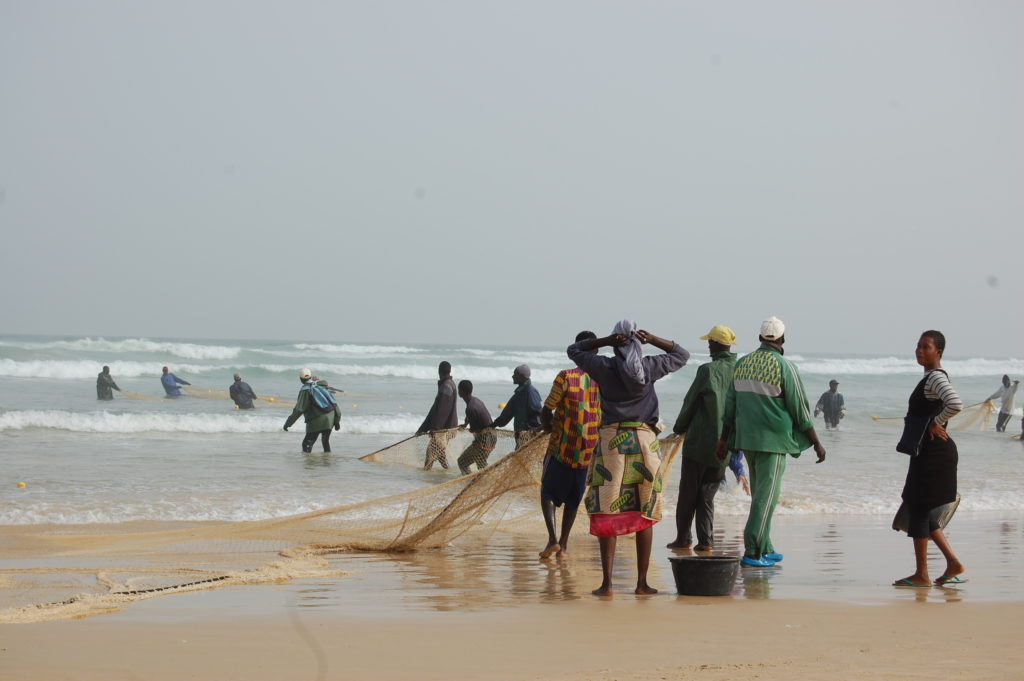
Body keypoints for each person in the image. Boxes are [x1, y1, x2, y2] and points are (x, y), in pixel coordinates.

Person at [568, 320, 689, 595]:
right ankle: (642, 583)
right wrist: (654, 339)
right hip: (644, 442)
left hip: (612, 443)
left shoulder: (605, 367)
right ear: (637, 341)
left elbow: (574, 350)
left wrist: (605, 341)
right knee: (644, 508)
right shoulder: (649, 367)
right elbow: (682, 355)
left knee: (606, 508)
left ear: (618, 341)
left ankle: (607, 584)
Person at [716, 316, 826, 568]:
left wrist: (724, 440)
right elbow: (800, 410)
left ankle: (765, 545)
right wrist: (817, 443)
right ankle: (753, 551)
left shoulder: (742, 364)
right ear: (783, 339)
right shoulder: (784, 367)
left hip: (746, 441)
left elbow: (729, 408)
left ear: (759, 338)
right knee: (766, 498)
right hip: (772, 443)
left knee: (760, 495)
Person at [892, 330, 966, 587]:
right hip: (928, 453)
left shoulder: (935, 377)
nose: (919, 351)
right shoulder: (930, 378)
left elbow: (956, 403)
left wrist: (935, 422)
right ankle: (952, 563)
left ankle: (922, 574)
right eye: (918, 346)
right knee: (920, 508)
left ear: (939, 352)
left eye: (926, 347)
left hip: (936, 454)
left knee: (920, 508)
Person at [668, 324, 738, 551]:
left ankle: (683, 538)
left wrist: (679, 427)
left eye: (710, 342)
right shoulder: (739, 370)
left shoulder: (707, 371)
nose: (708, 345)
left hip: (699, 443)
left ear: (717, 344)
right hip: (725, 444)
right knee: (708, 494)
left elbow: (690, 402)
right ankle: (706, 541)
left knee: (688, 493)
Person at [538, 331, 602, 559]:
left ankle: (552, 540)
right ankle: (563, 547)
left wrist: (546, 426)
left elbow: (547, 408)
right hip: (586, 453)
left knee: (547, 493)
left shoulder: (565, 376)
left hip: (561, 449)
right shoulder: (603, 380)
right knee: (573, 500)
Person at [283, 368, 341, 453]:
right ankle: (328, 462)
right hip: (330, 418)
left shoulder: (305, 390)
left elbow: (298, 410)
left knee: (307, 443)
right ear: (310, 376)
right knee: (325, 441)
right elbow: (334, 404)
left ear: (301, 379)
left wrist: (288, 423)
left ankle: (308, 465)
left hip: (317, 421)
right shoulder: (322, 387)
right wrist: (336, 422)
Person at [417, 361, 459, 470]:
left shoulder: (446, 386)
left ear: (439, 371)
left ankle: (425, 479)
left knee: (429, 455)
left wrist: (435, 428)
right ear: (449, 371)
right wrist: (423, 428)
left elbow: (441, 411)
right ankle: (447, 472)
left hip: (442, 429)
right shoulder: (450, 384)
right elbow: (435, 409)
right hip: (447, 427)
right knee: (440, 453)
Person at [490, 364, 542, 448]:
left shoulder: (530, 392)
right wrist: (495, 424)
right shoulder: (519, 393)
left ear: (522, 377)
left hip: (528, 436)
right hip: (520, 435)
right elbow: (508, 412)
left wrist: (535, 430)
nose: (512, 376)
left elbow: (538, 413)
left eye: (515, 374)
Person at [456, 380, 497, 475]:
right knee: (481, 464)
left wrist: (469, 429)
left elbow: (475, 429)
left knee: (462, 462)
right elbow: (472, 416)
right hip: (493, 437)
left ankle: (468, 483)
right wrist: (465, 424)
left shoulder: (470, 408)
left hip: (484, 440)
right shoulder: (475, 400)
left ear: (460, 392)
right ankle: (487, 482)